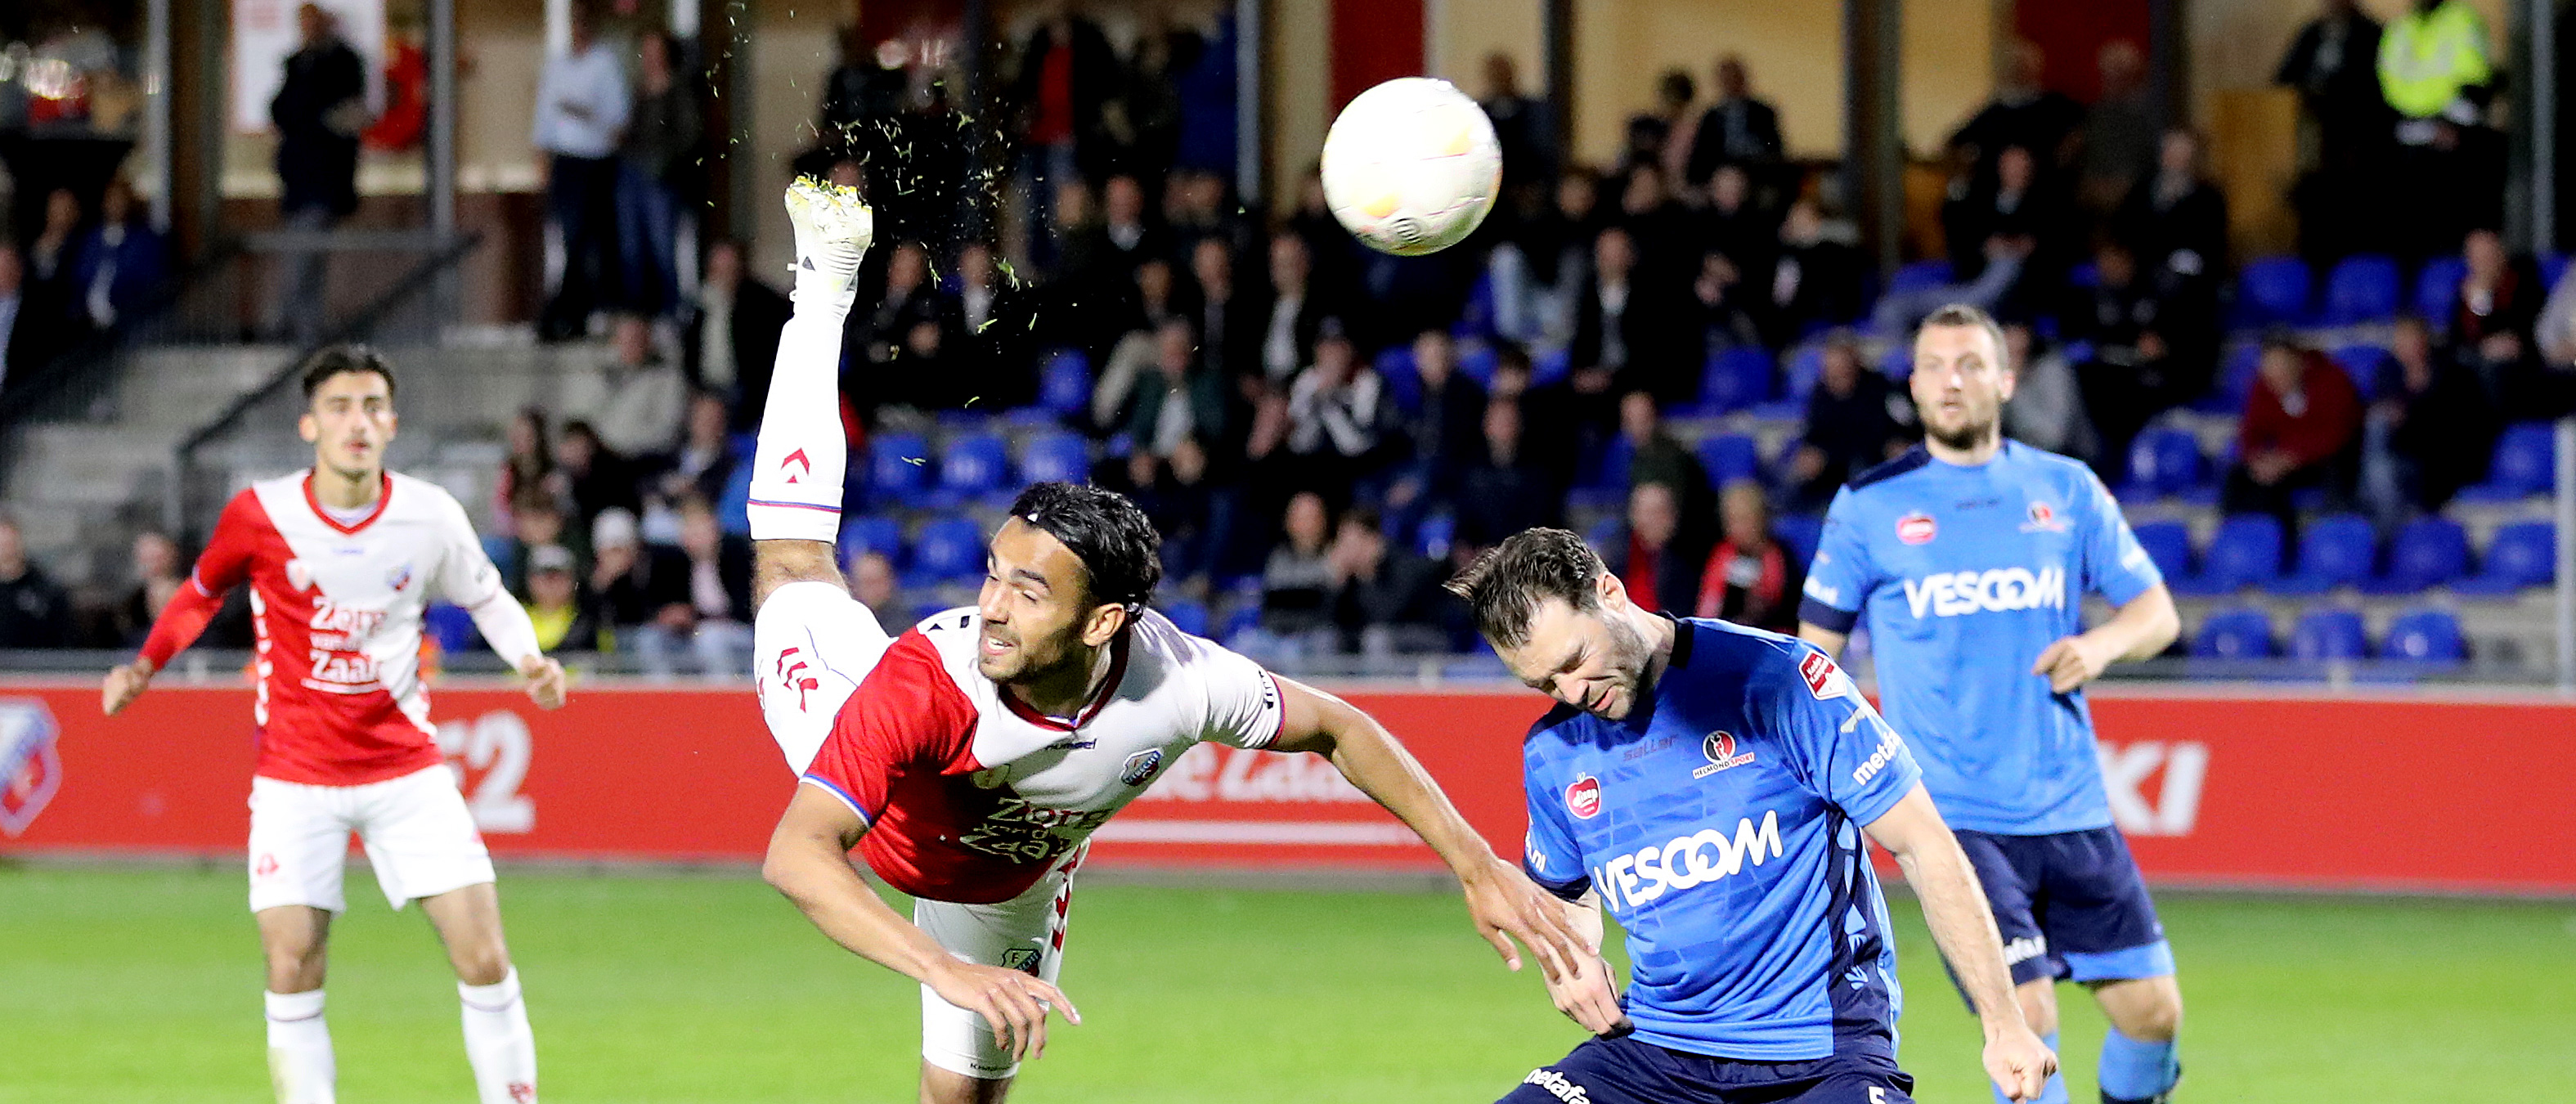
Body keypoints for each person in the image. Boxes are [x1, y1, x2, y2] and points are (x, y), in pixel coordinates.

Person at [737, 177, 1586, 1104]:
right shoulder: (925, 682)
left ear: (1104, 623)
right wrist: (938, 969)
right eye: (992, 572)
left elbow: (1338, 728)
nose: (992, 606)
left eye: (1028, 590)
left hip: (1004, 882)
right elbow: (798, 855)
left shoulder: (1180, 680)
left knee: (964, 1100)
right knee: (790, 563)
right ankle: (823, 284)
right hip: (857, 735)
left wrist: (1474, 863)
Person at [101, 346, 569, 1104]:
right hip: (294, 776)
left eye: (373, 406)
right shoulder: (261, 515)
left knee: (484, 955)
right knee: (292, 965)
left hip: (406, 770)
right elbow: (198, 591)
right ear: (309, 425)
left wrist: (529, 657)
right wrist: (143, 665)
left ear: (393, 423)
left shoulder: (429, 515)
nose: (359, 421)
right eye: (342, 406)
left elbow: (485, 595)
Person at [1445, 528, 2057, 1104]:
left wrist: (2004, 1022)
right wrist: (1570, 967)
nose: (1573, 692)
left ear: (1611, 591)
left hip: (1821, 1050)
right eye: (1546, 683)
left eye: (1575, 658)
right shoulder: (1554, 751)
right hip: (1658, 1050)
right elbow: (1564, 894)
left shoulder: (1777, 680)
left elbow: (1925, 844)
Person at [1797, 304, 2186, 1104]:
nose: (1952, 380)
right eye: (1934, 365)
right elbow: (1813, 659)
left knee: (2153, 1016)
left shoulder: (2065, 488)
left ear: (2006, 379)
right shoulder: (1868, 507)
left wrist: (2102, 646)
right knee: (2027, 1015)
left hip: (2070, 804)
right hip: (1954, 815)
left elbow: (2158, 613)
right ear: (1911, 384)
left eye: (1971, 364)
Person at [532, 3, 631, 339]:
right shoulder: (557, 66)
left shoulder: (605, 65)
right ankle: (570, 312)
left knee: (588, 240)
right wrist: (543, 160)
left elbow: (618, 123)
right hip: (566, 162)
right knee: (570, 239)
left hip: (594, 162)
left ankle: (572, 311)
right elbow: (544, 119)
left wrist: (585, 113)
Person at [269, 2, 365, 342]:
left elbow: (338, 115)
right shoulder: (297, 64)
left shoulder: (341, 64)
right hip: (297, 179)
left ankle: (286, 324)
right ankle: (302, 328)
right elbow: (281, 110)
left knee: (305, 255)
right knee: (302, 255)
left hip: (324, 179)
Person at [2276, 0, 2391, 263]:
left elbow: (2377, 86)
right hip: (2311, 146)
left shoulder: (2372, 33)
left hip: (2355, 146)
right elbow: (2283, 79)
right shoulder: (2312, 33)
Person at [2223, 336, 2363, 534]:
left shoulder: (2332, 378)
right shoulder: (2263, 387)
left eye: (2283, 370)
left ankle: (2335, 537)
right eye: (2272, 372)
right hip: (2287, 463)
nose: (2278, 378)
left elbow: (2338, 434)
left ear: (2299, 362)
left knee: (2337, 474)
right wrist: (2257, 460)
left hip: (2330, 459)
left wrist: (2292, 457)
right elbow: (2250, 432)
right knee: (2242, 478)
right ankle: (2249, 541)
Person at [2370, 313, 2497, 516]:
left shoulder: (2454, 373)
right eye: (2402, 340)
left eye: (2413, 339)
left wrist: (2409, 414)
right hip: (2401, 454)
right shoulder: (2388, 373)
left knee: (2386, 469)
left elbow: (2456, 425)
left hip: (2445, 457)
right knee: (2378, 438)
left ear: (2425, 340)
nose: (2408, 346)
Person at [617, 32, 700, 317]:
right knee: (631, 248)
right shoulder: (640, 89)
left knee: (663, 246)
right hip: (632, 172)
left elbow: (689, 135)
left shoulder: (678, 89)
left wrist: (663, 163)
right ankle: (639, 316)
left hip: (661, 177)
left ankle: (670, 311)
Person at [1787, 336, 1905, 511]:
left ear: (1856, 365)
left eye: (1843, 369)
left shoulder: (1881, 388)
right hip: (1830, 470)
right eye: (1831, 372)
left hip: (1873, 464)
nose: (1837, 377)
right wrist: (1809, 455)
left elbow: (1894, 431)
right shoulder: (1821, 395)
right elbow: (1814, 434)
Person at [683, 240, 791, 429]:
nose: (724, 277)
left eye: (730, 269)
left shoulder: (762, 303)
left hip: (745, 391)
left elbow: (763, 361)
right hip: (705, 389)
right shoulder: (699, 306)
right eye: (718, 270)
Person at [1694, 481, 1804, 634]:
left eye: (1744, 519)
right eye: (1732, 520)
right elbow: (1707, 610)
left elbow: (1786, 612)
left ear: (1761, 519)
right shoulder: (1722, 555)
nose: (1737, 528)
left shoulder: (1780, 556)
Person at [70, 177, 170, 330]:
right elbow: (79, 277)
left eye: (120, 200)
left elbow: (151, 285)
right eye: (111, 199)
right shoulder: (92, 239)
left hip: (127, 324)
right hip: (87, 325)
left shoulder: (146, 241)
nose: (116, 206)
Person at [1684, 55, 1784, 190]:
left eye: (1734, 79)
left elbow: (1774, 150)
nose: (1730, 85)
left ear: (1743, 80)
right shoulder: (1711, 117)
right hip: (1719, 180)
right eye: (1725, 80)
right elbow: (1700, 155)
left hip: (1757, 177)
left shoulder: (1763, 113)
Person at [0, 514, 73, 648]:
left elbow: (64, 639)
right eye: (2, 544)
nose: (6, 549)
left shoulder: (46, 590)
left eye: (9, 542)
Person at [522, 543, 605, 653]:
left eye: (559, 577)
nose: (551, 585)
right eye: (544, 577)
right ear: (530, 581)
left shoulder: (590, 620)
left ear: (573, 581)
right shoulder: (514, 617)